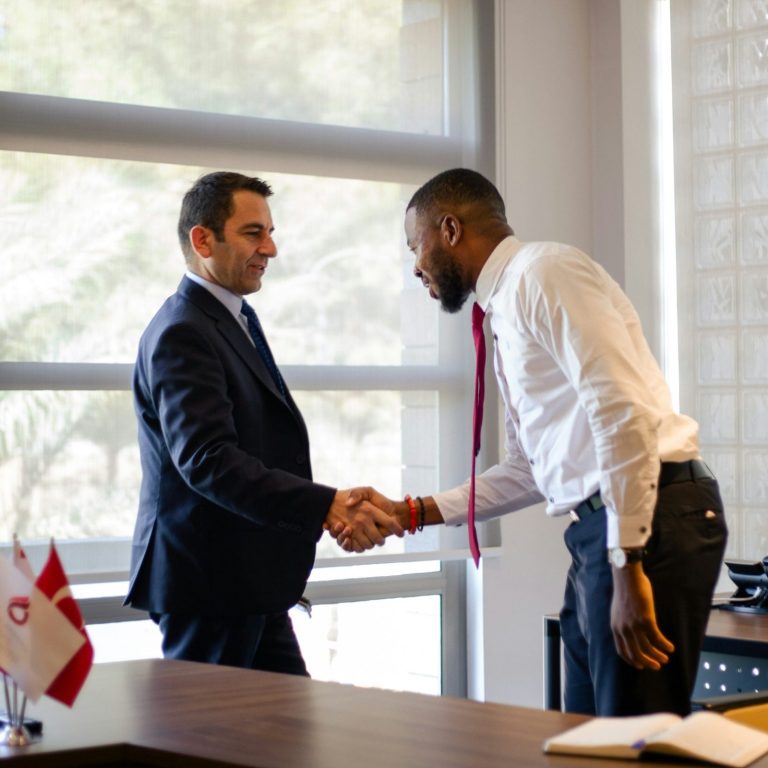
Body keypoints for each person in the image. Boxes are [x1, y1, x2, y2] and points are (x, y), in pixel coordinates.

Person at [334, 168, 727, 717]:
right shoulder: (505, 305)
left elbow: (621, 409)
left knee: (637, 741)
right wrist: (413, 512)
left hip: (647, 521)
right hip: (604, 530)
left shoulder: (545, 272)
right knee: (587, 736)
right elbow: (530, 469)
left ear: (449, 229)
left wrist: (627, 561)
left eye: (414, 246)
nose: (415, 267)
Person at [125, 171, 401, 675]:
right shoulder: (182, 331)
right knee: (214, 749)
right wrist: (327, 505)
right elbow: (208, 461)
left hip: (247, 587)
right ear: (202, 239)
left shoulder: (231, 316)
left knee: (289, 740)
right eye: (254, 233)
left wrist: (326, 507)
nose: (270, 249)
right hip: (210, 591)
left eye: (271, 233)